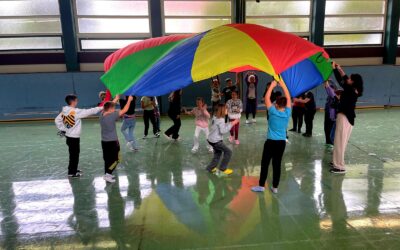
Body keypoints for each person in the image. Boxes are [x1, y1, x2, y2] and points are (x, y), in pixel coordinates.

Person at [251, 80, 291, 194]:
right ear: (285, 105)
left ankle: (261, 186)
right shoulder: (287, 113)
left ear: (276, 104)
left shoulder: (272, 111)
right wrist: (283, 85)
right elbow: (288, 97)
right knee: (277, 165)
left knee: (265, 164)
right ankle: (275, 187)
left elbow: (266, 97)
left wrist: (272, 85)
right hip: (281, 143)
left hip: (270, 142)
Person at [55, 94, 103, 178]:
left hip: (69, 136)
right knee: (74, 155)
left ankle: (73, 169)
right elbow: (89, 111)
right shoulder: (74, 111)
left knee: (73, 154)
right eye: (77, 100)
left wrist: (63, 129)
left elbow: (57, 120)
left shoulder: (65, 111)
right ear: (73, 101)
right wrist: (102, 107)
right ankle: (72, 172)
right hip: (73, 137)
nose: (77, 102)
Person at [330, 62, 363, 174]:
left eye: (350, 78)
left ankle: (339, 166)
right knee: (340, 141)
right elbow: (343, 79)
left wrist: (336, 69)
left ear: (353, 82)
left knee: (339, 141)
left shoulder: (350, 89)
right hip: (348, 118)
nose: (348, 79)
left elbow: (342, 80)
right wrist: (338, 69)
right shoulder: (354, 90)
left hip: (345, 117)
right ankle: (336, 161)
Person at [100, 96, 133, 183]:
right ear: (110, 109)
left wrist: (116, 98)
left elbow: (109, 106)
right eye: (114, 108)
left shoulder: (101, 114)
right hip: (113, 142)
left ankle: (107, 173)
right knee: (117, 159)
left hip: (104, 142)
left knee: (107, 159)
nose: (115, 109)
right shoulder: (112, 116)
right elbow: (125, 110)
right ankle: (108, 174)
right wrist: (129, 100)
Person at [206, 104, 240, 175]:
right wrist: (232, 123)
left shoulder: (215, 117)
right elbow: (223, 131)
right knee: (228, 152)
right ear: (223, 110)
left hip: (211, 139)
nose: (227, 110)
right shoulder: (221, 119)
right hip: (216, 141)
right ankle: (223, 168)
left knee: (218, 154)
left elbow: (221, 126)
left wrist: (229, 123)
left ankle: (210, 168)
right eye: (226, 109)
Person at [324, 80, 338, 147]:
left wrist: (327, 81)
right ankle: (327, 142)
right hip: (327, 113)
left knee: (330, 129)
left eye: (332, 89)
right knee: (326, 128)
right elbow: (327, 88)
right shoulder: (330, 95)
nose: (329, 90)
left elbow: (329, 88)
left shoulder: (334, 95)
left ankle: (330, 142)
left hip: (331, 116)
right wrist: (326, 81)